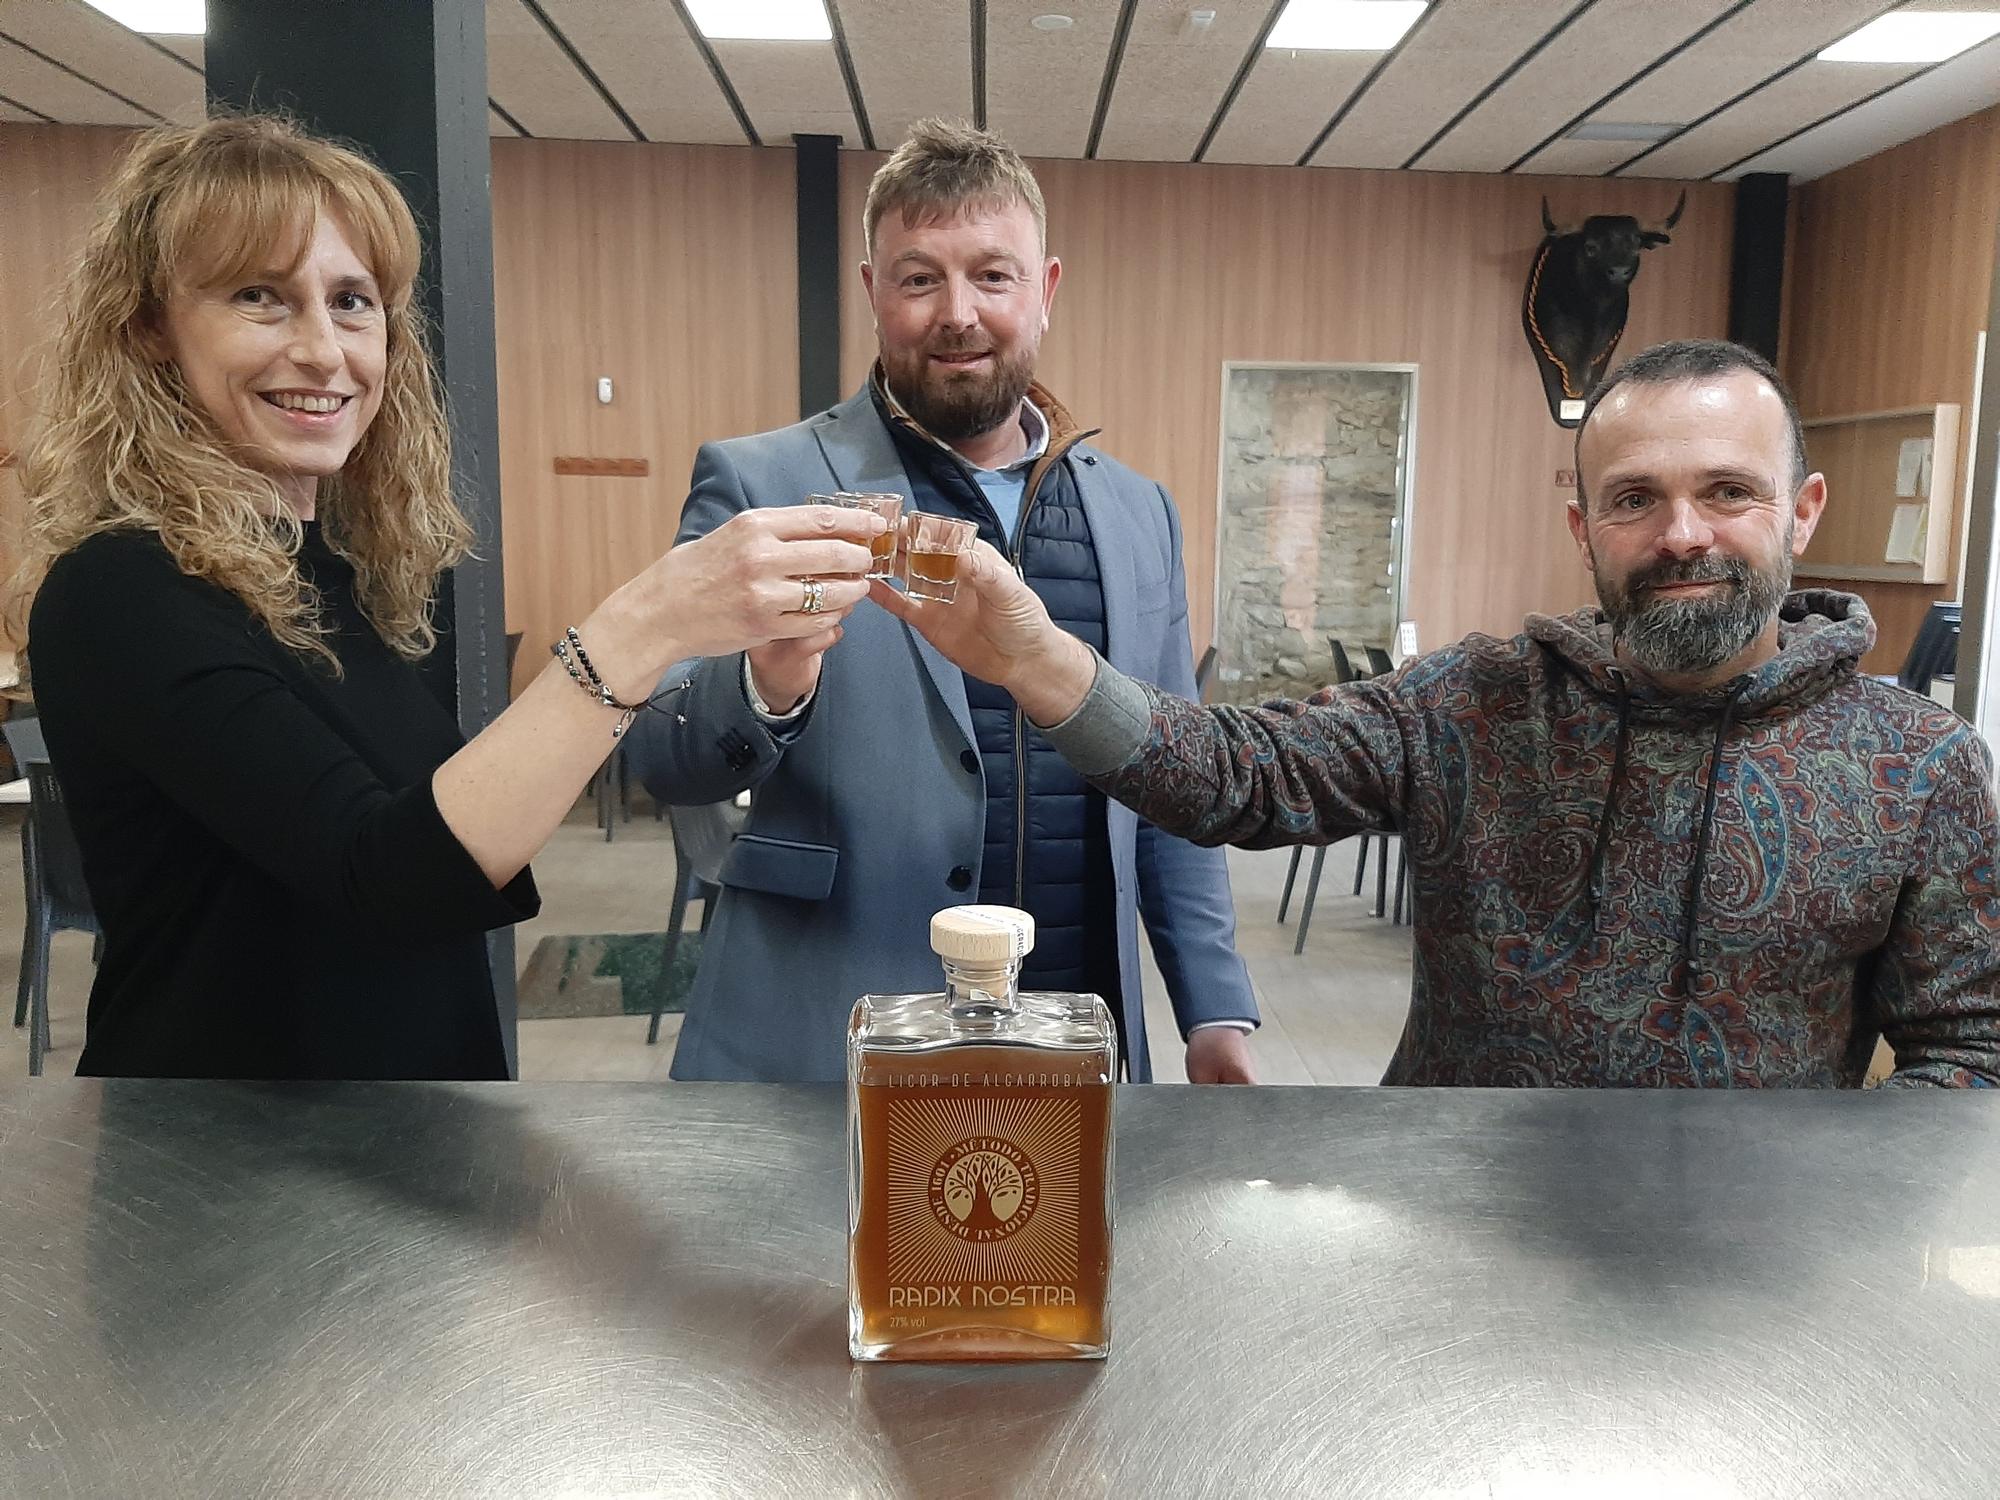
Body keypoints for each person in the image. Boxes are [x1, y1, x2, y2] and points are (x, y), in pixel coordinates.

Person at [879, 339, 2000, 1088]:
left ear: (1800, 509)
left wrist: (1829, 1211)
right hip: (1455, 1258)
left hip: (1751, 1286)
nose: (1681, 535)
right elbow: (1239, 773)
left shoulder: (1916, 768)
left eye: (1726, 491)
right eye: (1632, 499)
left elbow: (1969, 1051)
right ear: (1581, 527)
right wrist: (1037, 659)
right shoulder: (1474, 706)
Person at [11, 116, 882, 1080]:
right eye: (259, 296)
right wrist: (647, 623)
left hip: (409, 1132)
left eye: (352, 301)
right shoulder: (121, 588)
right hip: (233, 1157)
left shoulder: (349, 569)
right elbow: (385, 879)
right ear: (151, 332)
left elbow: (453, 829)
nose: (322, 350)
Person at [626, 119, 1259, 1084]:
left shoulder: (1138, 514)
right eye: (920, 278)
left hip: (1068, 1031)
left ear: (1043, 291)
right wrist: (768, 681)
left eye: (992, 277)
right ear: (874, 291)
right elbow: (658, 754)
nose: (957, 313)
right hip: (827, 1039)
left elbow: (1172, 777)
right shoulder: (766, 485)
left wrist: (1214, 1010)